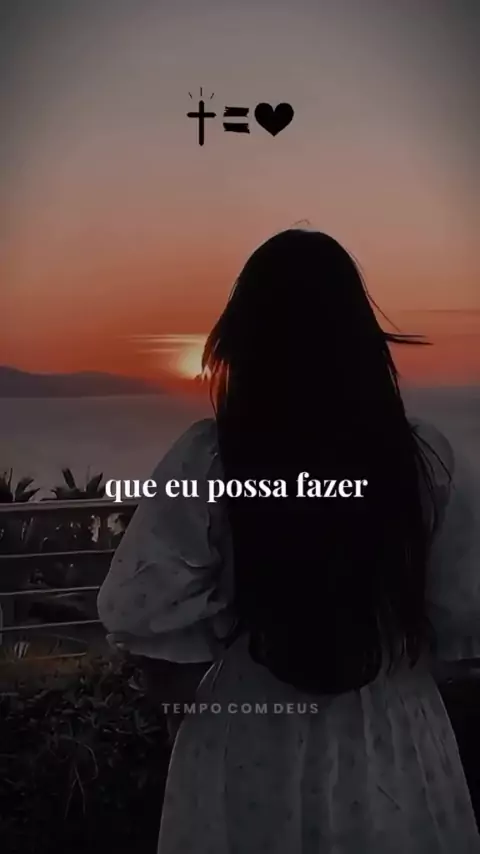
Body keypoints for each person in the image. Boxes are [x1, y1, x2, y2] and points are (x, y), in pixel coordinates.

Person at [97, 229, 480, 853]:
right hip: (393, 738)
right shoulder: (423, 460)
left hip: (250, 738)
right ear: (362, 341)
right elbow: (462, 626)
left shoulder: (212, 458)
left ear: (243, 341)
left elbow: (159, 636)